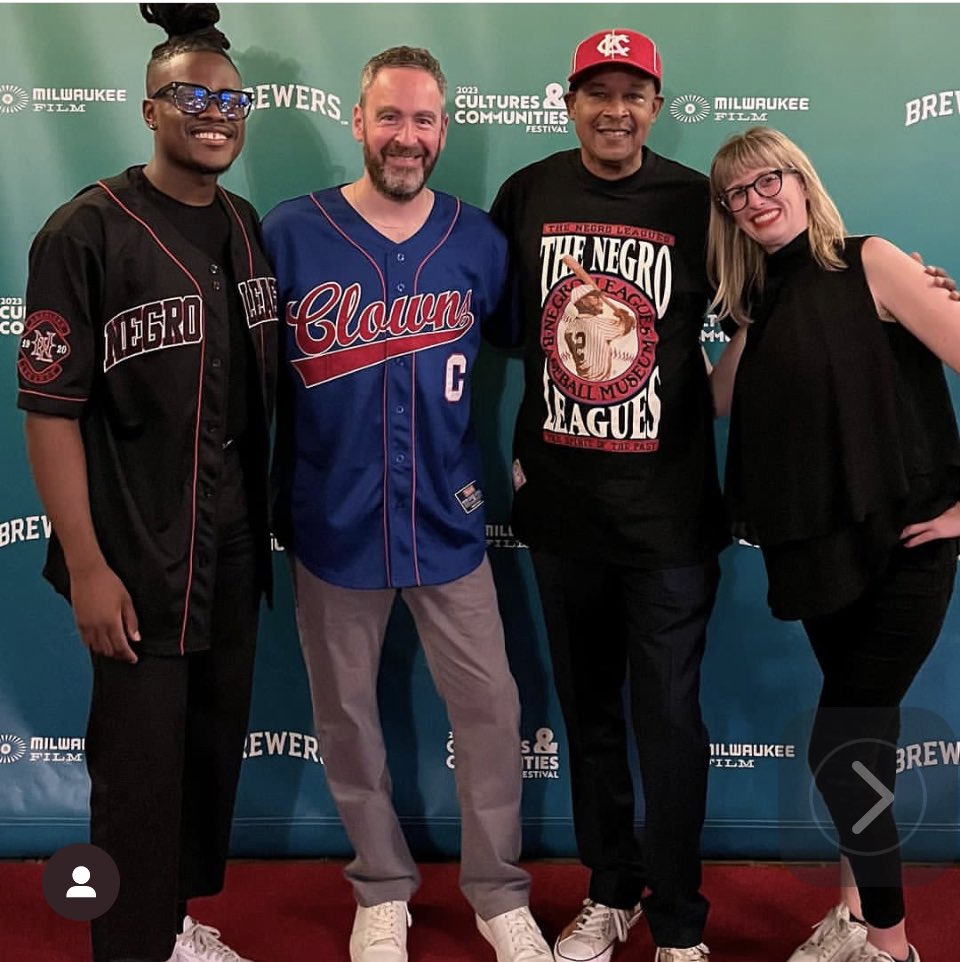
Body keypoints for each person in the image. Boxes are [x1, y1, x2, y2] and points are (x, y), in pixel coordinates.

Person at [262, 46, 552, 962]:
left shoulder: (477, 241)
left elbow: (527, 352)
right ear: (357, 121)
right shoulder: (290, 232)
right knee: (345, 713)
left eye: (424, 120)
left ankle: (498, 892)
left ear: (444, 132)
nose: (406, 136)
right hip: (333, 518)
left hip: (448, 520)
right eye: (389, 116)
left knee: (494, 710)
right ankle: (381, 886)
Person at [17, 5, 277, 962]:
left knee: (205, 760)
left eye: (229, 99)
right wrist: (86, 565)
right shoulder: (85, 230)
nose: (213, 114)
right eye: (191, 97)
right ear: (149, 110)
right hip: (135, 551)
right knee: (134, 778)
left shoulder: (244, 225)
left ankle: (167, 925)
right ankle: (126, 943)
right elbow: (49, 411)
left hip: (232, 544)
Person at [490, 27, 727, 962]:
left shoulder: (697, 201)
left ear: (656, 107)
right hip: (562, 508)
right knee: (589, 716)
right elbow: (494, 321)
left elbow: (775, 300)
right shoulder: (530, 192)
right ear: (569, 101)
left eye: (633, 94)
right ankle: (610, 890)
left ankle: (677, 921)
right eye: (598, 92)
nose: (615, 110)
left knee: (669, 719)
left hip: (669, 514)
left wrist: (890, 289)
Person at [707, 126, 960, 962]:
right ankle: (854, 915)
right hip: (819, 555)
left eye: (767, 179)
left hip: (907, 550)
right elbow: (717, 399)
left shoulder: (874, 261)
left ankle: (890, 944)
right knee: (868, 745)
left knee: (840, 745)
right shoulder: (764, 304)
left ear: (802, 179)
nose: (755, 200)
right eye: (736, 194)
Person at [559, 284, 637, 382]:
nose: (600, 301)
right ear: (583, 302)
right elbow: (626, 326)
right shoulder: (599, 325)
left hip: (581, 380)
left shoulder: (569, 328)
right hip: (600, 381)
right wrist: (625, 316)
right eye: (595, 297)